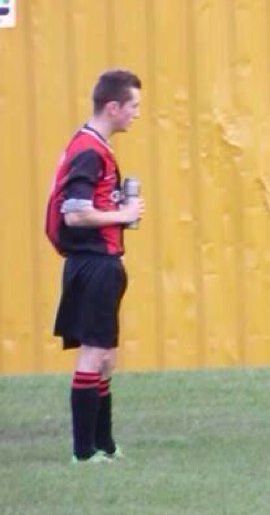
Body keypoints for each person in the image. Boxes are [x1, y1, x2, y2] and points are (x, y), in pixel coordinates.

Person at [46, 70, 145, 463]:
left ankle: (104, 444)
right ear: (113, 106)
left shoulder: (94, 145)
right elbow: (75, 213)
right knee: (93, 353)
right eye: (133, 106)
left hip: (101, 263)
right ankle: (84, 452)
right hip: (92, 264)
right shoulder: (90, 150)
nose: (137, 114)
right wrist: (122, 214)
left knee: (106, 356)